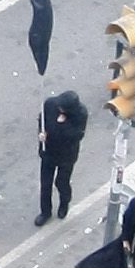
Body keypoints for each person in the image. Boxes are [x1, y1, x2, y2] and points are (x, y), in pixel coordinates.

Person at [35, 88, 87, 224]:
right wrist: (42, 132)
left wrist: (62, 124)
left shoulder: (81, 114)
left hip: (66, 156)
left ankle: (64, 203)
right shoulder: (50, 104)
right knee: (45, 184)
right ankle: (45, 212)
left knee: (61, 182)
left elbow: (76, 136)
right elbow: (42, 120)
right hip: (49, 152)